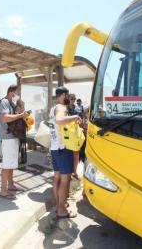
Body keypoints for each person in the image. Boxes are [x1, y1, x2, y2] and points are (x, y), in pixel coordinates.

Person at [50, 86, 81, 218]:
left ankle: (59, 205)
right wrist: (74, 117)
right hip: (63, 149)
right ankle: (61, 209)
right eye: (67, 96)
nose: (69, 98)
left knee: (57, 178)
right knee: (65, 180)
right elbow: (59, 120)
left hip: (54, 148)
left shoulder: (52, 108)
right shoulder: (61, 108)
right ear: (63, 95)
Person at [0, 84, 29, 200]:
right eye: (18, 92)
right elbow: (5, 117)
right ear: (12, 92)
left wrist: (21, 107)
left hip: (13, 136)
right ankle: (3, 190)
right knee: (7, 165)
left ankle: (10, 185)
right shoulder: (4, 102)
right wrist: (21, 115)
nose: (19, 94)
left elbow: (18, 114)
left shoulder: (12, 103)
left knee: (10, 163)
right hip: (8, 137)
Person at [67, 93, 81, 179]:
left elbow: (81, 119)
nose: (73, 100)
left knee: (76, 153)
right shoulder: (64, 109)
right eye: (71, 98)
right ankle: (68, 171)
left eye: (74, 98)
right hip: (67, 134)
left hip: (75, 133)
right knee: (68, 153)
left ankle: (74, 171)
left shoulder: (78, 108)